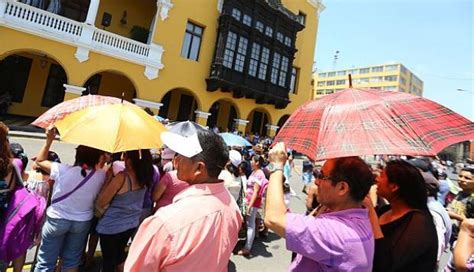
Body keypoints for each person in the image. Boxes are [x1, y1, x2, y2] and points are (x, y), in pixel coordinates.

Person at [125, 130, 242, 271]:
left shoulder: (166, 222)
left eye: (181, 155)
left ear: (199, 167)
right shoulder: (232, 208)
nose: (176, 159)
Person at [265, 142, 375, 271]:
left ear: (342, 188)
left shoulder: (336, 232)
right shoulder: (357, 217)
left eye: (322, 176)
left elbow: (273, 218)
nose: (316, 181)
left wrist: (277, 166)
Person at [34, 128, 107, 272]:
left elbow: (40, 161)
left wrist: (49, 140)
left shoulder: (61, 169)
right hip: (82, 222)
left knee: (45, 262)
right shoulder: (101, 175)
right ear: (97, 158)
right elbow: (105, 166)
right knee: (71, 262)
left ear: (77, 155)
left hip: (57, 218)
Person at [366, 160, 438, 272]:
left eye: (382, 176)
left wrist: (371, 211)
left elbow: (387, 265)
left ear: (394, 186)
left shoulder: (419, 223)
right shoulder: (385, 210)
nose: (377, 179)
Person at [95, 149, 153, 272]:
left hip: (111, 227)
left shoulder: (121, 177)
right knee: (119, 256)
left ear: (131, 160)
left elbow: (102, 201)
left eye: (125, 155)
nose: (122, 158)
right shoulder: (145, 176)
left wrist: (109, 179)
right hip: (130, 224)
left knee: (109, 262)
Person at [236, 154, 267, 256]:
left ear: (257, 162)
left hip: (252, 203)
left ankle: (247, 248)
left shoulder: (259, 174)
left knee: (251, 225)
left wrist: (249, 206)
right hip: (249, 201)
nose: (251, 162)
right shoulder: (255, 172)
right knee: (249, 223)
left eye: (252, 160)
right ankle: (247, 243)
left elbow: (256, 192)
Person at [447, 167, 474, 242]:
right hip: (455, 235)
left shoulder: (472, 199)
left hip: (467, 240)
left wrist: (457, 217)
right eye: (460, 176)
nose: (461, 179)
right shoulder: (460, 193)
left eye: (467, 178)